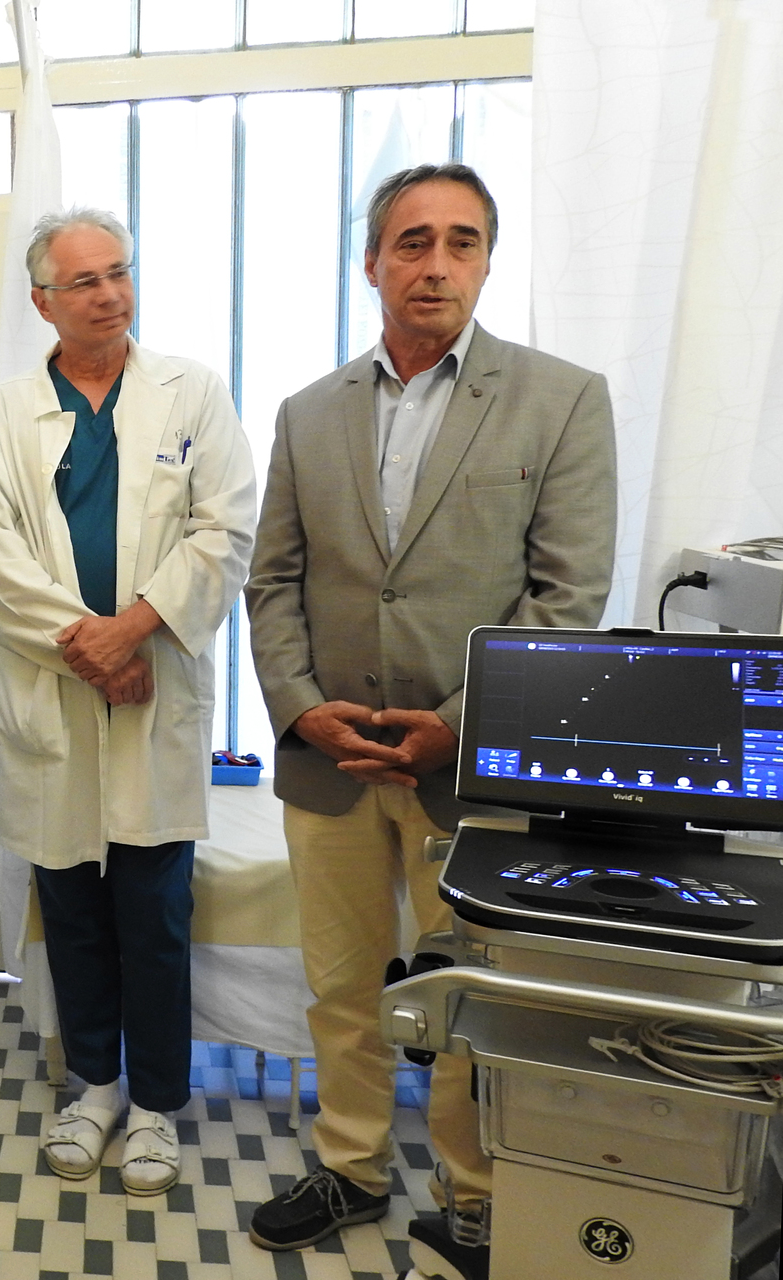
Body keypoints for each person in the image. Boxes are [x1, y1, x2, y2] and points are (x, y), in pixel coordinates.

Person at [245, 163, 616, 1262]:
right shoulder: (308, 412)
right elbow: (272, 583)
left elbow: (567, 598)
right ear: (371, 262)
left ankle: (475, 1192)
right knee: (340, 982)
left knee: (471, 993)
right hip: (330, 762)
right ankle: (351, 1164)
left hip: (470, 765)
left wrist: (456, 719)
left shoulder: (560, 397)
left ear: (488, 261)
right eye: (412, 241)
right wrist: (302, 710)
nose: (436, 263)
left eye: (462, 241)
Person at [0, 208, 256, 1195]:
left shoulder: (191, 392)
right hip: (56, 696)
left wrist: (133, 631)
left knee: (155, 911)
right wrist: (92, 650)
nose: (108, 293)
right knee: (72, 907)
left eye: (118, 272)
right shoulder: (3, 415)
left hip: (153, 689)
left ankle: (158, 1104)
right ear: (42, 300)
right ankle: (92, 1086)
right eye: (83, 280)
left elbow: (225, 531)